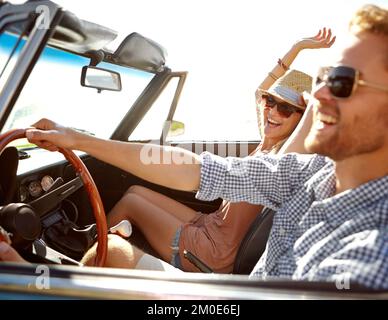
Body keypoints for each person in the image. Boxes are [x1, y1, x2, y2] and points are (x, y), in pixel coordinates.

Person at [1, 3, 388, 290]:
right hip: (240, 274)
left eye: (341, 82)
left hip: (222, 273)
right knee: (117, 242)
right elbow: (196, 168)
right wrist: (78, 138)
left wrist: (31, 280)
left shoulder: (369, 257)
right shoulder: (307, 172)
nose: (319, 93)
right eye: (323, 77)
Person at [105, 30, 335, 273]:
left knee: (130, 203)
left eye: (287, 109)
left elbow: (305, 119)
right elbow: (259, 92)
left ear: (302, 119)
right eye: (271, 102)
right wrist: (297, 47)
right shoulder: (268, 138)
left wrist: (318, 99)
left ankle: (84, 266)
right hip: (210, 224)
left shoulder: (284, 155)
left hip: (213, 252)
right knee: (134, 190)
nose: (273, 112)